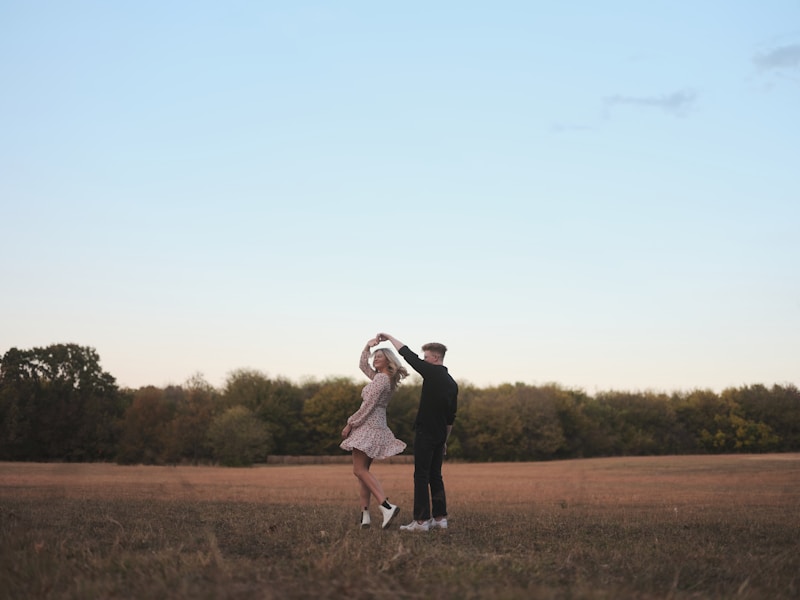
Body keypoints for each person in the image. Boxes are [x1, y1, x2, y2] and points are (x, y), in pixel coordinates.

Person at [377, 333, 458, 532]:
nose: (423, 360)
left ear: (435, 358)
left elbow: (407, 354)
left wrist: (389, 336)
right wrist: (445, 441)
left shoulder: (432, 373)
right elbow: (450, 417)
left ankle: (421, 522)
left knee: (421, 476)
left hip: (426, 433)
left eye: (426, 357)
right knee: (435, 476)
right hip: (440, 436)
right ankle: (440, 519)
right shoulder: (452, 382)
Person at [340, 336, 408, 529]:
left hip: (368, 425)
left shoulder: (380, 380)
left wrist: (350, 424)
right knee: (363, 472)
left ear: (388, 360)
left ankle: (386, 506)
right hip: (376, 424)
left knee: (358, 470)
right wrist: (367, 347)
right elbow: (363, 366)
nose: (374, 358)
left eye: (379, 356)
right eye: (374, 356)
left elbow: (367, 406)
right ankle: (365, 515)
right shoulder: (383, 378)